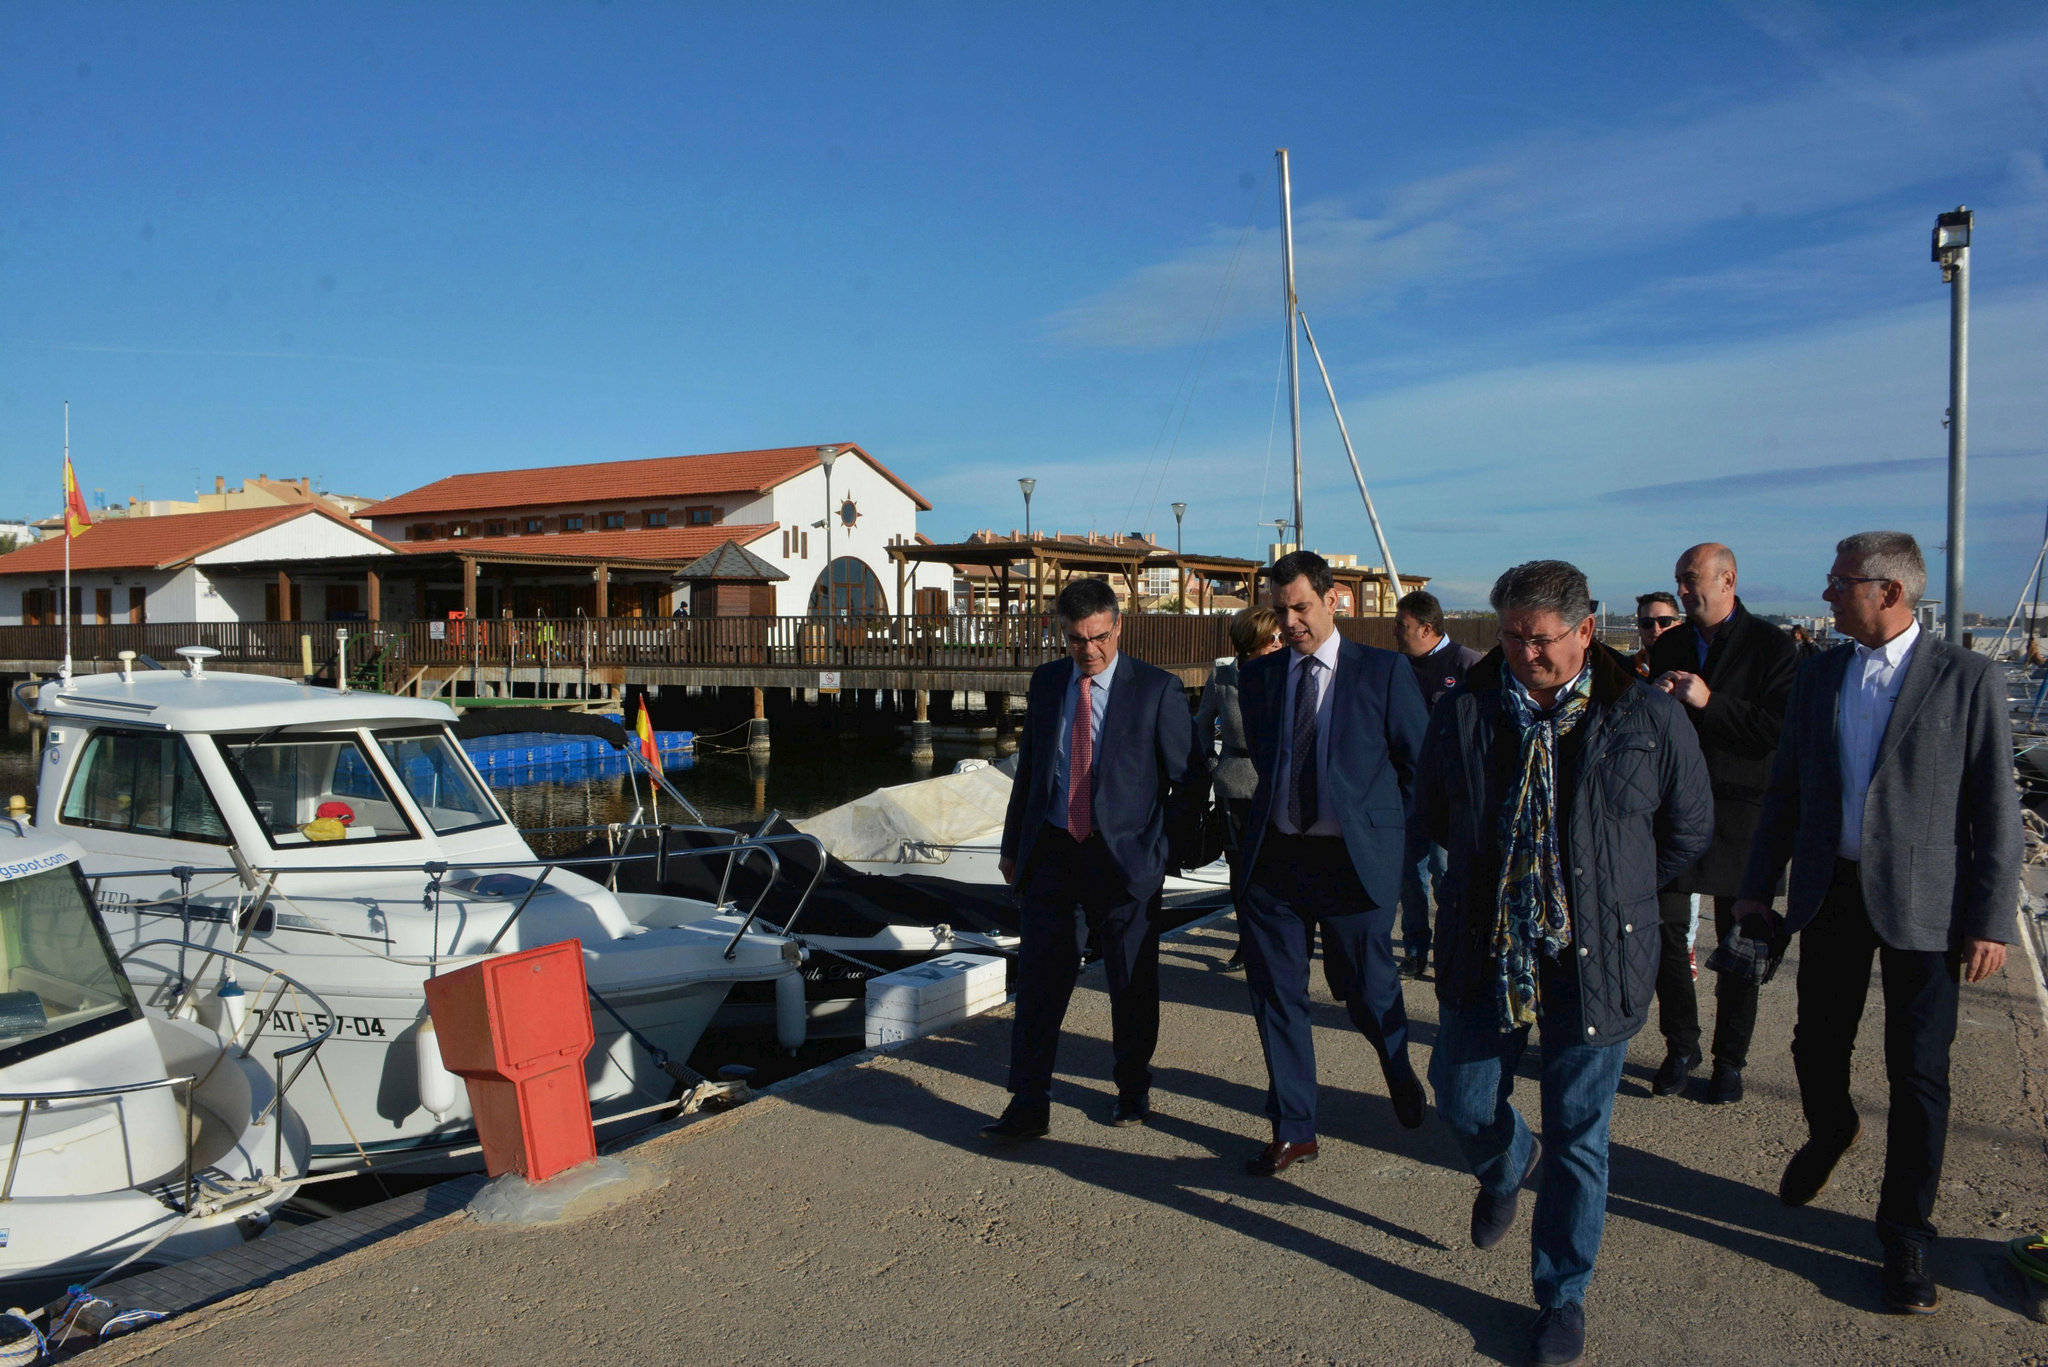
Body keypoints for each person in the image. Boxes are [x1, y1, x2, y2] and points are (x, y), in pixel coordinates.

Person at [1416, 559, 1710, 1367]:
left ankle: (1562, 1297)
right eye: (1508, 636)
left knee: (1581, 1134)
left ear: (1585, 630)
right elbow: (1435, 812)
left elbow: (1688, 829)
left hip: (1599, 959)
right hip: (1491, 946)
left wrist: (1612, 897)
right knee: (1463, 1095)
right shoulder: (1465, 712)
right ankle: (1508, 1162)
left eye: (1538, 639)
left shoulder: (1646, 718)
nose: (1520, 652)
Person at [1734, 531, 2021, 1314]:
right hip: (1832, 895)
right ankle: (1831, 1130)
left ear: (1889, 591)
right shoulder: (1822, 674)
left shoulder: (1969, 678)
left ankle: (1906, 1235)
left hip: (1930, 909)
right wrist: (1758, 888)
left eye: (1839, 582)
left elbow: (1997, 810)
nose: (1827, 594)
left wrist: (1990, 919)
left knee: (1919, 1074)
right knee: (1814, 1043)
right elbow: (1786, 790)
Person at [1233, 551, 1430, 1177]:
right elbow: (1270, 764)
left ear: (1332, 598)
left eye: (1302, 607)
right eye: (1280, 610)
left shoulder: (1383, 672)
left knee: (1364, 991)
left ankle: (1397, 1065)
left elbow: (1420, 769)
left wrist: (1393, 842)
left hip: (1353, 864)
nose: (1291, 622)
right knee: (1276, 994)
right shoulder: (1260, 678)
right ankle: (1294, 1128)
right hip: (1278, 861)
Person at [981, 576, 1196, 1141]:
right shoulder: (1049, 681)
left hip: (1124, 861)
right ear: (1062, 633)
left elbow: (1187, 780)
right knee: (1039, 986)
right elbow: (1029, 772)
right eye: (1077, 640)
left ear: (1118, 625)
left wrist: (1159, 850)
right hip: (1053, 854)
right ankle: (1028, 1103)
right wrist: (1013, 847)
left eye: (1099, 637)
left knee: (1131, 985)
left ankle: (1132, 1088)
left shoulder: (1156, 689)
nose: (1090, 651)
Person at [1643, 543, 1799, 1104]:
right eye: (1679, 581)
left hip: (1742, 815)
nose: (1683, 591)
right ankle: (1680, 1045)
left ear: (1728, 578)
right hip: (1675, 810)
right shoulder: (1674, 645)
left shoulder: (1773, 647)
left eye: (1691, 580)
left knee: (1740, 946)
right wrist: (1656, 703)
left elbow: (1777, 732)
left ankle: (1730, 1061)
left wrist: (1710, 702)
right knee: (1660, 933)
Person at [1392, 589, 1483, 979]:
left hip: (1453, 793)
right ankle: (1415, 949)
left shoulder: (1468, 665)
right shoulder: (1398, 667)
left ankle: (1453, 947)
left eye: (1403, 625)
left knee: (1446, 873)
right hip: (1409, 791)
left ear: (1427, 628)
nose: (1396, 632)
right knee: (1409, 875)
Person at [1193, 606, 1284, 972]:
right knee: (1240, 872)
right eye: (1270, 638)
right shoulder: (1224, 677)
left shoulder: (1287, 673)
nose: (1279, 643)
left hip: (1277, 787)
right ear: (1250, 643)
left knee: (1278, 870)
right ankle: (1246, 944)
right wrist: (1214, 766)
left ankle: (1279, 945)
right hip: (1235, 784)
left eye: (1280, 637)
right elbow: (1201, 726)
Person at [1631, 593, 1682, 677]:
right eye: (1647, 623)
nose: (1655, 628)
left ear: (1678, 625)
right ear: (1639, 627)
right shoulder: (1623, 672)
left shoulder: (1692, 670)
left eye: (1664, 621)